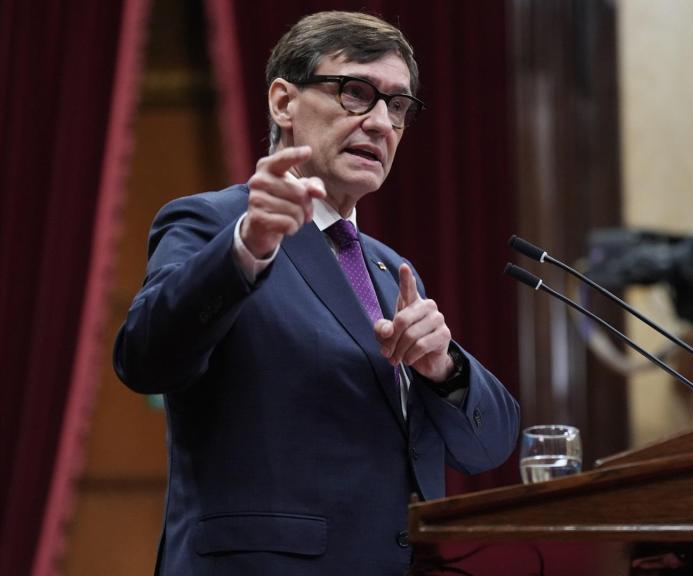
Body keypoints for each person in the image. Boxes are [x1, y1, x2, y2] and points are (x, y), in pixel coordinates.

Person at [113, 11, 520, 575]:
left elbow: (489, 447)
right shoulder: (213, 224)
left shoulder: (389, 268)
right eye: (356, 93)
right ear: (283, 102)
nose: (381, 123)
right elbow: (145, 359)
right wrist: (245, 249)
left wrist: (444, 367)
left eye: (398, 106)